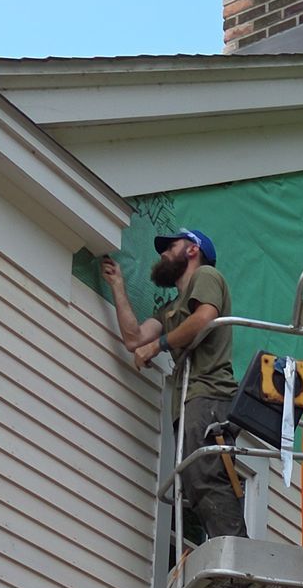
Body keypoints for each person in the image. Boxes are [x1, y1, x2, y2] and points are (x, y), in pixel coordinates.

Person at [100, 230, 247, 540]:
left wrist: (159, 346)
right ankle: (225, 550)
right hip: (191, 400)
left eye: (171, 246)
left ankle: (235, 554)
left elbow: (205, 316)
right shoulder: (171, 309)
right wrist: (118, 286)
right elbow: (135, 338)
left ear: (192, 250)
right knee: (196, 479)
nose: (164, 252)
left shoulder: (207, 275)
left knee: (205, 474)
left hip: (209, 394)